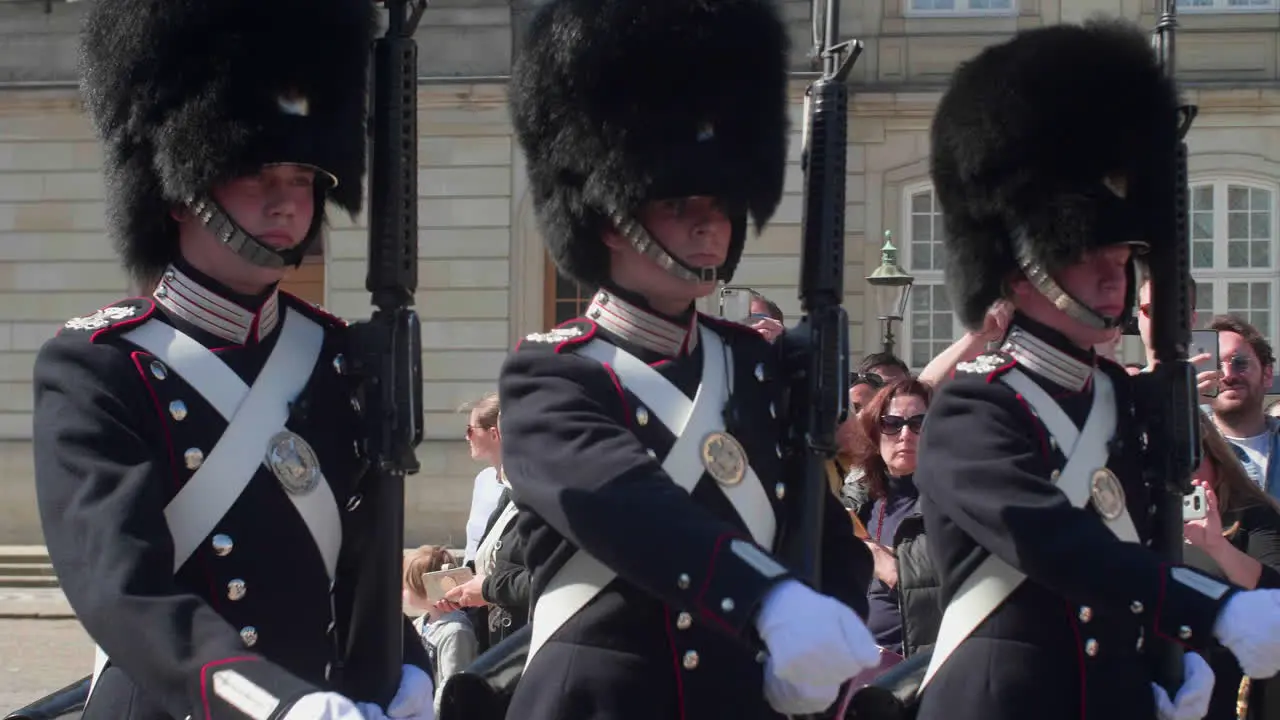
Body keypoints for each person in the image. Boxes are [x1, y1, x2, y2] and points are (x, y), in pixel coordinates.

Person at [31, 0, 433, 718]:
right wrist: (273, 704)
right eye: (256, 175)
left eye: (304, 179)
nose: (286, 203)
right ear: (184, 192)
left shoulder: (335, 356)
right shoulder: (98, 366)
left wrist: (408, 665)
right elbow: (124, 590)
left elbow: (356, 563)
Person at [496, 0, 880, 718]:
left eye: (722, 202)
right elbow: (622, 503)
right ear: (610, 217)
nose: (709, 224)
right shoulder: (552, 374)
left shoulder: (756, 367)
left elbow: (824, 534)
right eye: (677, 204)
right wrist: (767, 598)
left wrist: (826, 641)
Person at [914, 18, 1280, 720]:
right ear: (1022, 273)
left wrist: (1170, 661)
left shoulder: (1122, 398)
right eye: (1089, 257)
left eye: (1122, 261)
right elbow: (1057, 542)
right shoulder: (973, 408)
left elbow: (1147, 550)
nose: (1114, 278)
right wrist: (1210, 612)